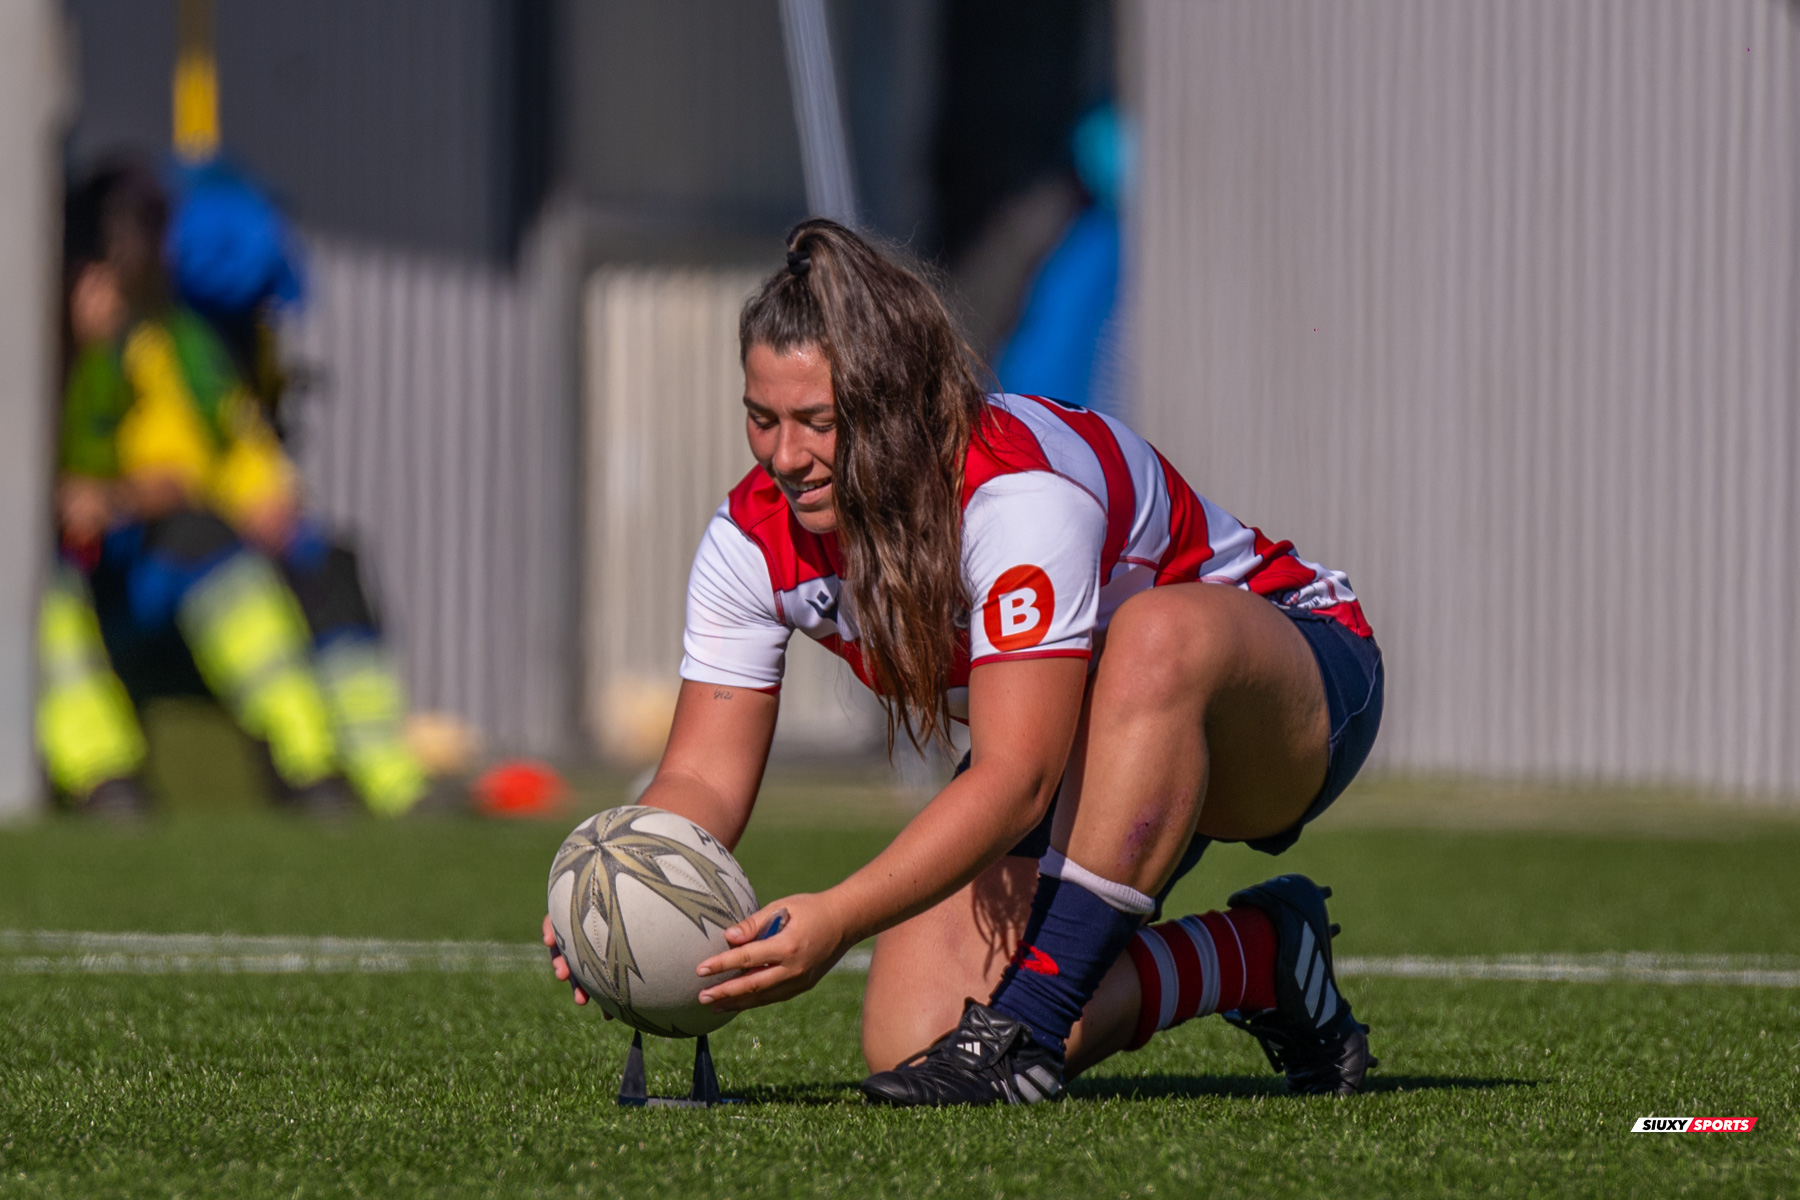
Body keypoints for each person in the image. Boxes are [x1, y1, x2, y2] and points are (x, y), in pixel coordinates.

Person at [545, 219, 1384, 1106]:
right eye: (762, 419)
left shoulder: (1018, 494)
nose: (785, 458)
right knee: (915, 1042)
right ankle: (1261, 957)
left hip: (1287, 699)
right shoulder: (750, 540)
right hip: (1087, 741)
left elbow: (1018, 776)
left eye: (818, 423)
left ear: (897, 402)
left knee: (1154, 634)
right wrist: (614, 888)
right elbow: (701, 777)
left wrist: (840, 916)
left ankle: (1031, 1028)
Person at [40, 161, 429, 817]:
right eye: (99, 275)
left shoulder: (172, 345)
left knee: (328, 563)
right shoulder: (39, 352)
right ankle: (99, 774)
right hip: (106, 571)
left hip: (150, 556)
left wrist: (265, 498)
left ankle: (357, 773)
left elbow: (215, 459)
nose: (110, 297)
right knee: (122, 565)